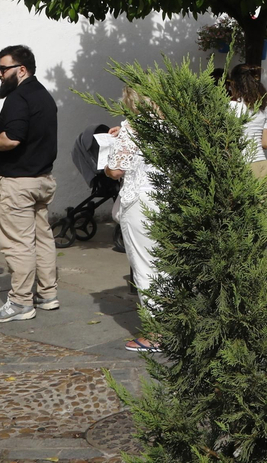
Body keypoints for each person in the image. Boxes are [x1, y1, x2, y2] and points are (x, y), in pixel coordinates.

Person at [0, 45, 59, 323]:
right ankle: (47, 294)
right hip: (41, 180)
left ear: (22, 70)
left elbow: (11, 139)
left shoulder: (18, 98)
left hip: (17, 182)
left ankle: (20, 302)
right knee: (42, 238)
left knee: (18, 244)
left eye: (3, 68)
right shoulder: (44, 95)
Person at [105, 90, 161, 353]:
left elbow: (116, 170)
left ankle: (157, 333)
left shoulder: (133, 126)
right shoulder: (168, 126)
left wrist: (107, 166)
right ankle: (173, 326)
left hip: (139, 204)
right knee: (163, 265)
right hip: (164, 201)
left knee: (144, 266)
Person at [229, 63, 267, 182]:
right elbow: (265, 143)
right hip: (262, 165)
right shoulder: (262, 108)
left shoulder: (231, 106)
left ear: (234, 84)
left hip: (243, 165)